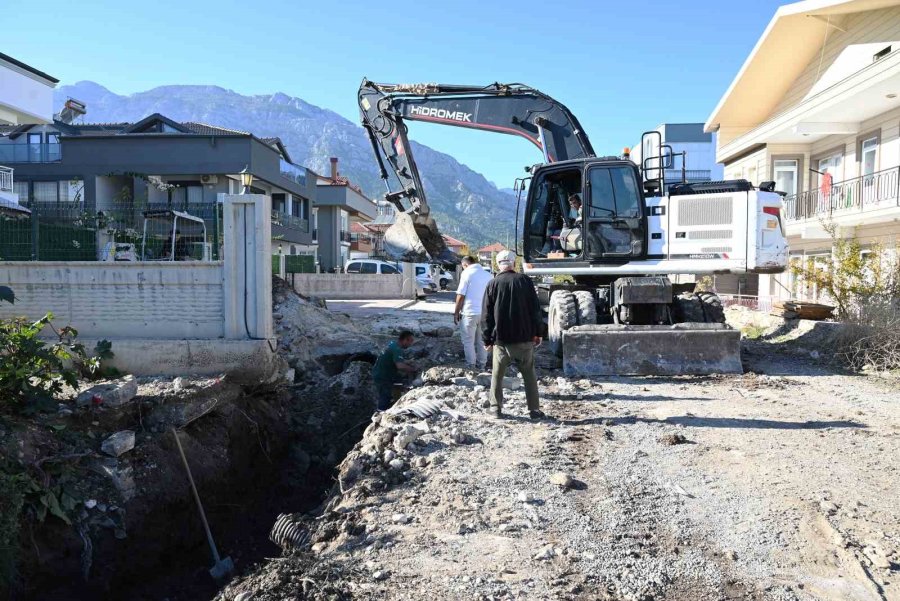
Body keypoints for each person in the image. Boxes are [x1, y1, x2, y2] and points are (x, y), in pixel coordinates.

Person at [481, 250, 546, 420]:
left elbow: (486, 315)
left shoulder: (493, 284)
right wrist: (539, 333)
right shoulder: (525, 281)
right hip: (525, 339)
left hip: (501, 340)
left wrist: (486, 339)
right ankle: (534, 410)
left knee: (497, 374)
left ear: (497, 264)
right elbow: (535, 310)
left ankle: (495, 409)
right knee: (529, 375)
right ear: (513, 263)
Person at [453, 255, 493, 369]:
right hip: (485, 314)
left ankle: (471, 365)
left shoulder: (467, 274)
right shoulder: (489, 275)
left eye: (463, 267)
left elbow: (460, 295)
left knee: (468, 341)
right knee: (482, 341)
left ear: (465, 265)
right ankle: (482, 365)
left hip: (469, 313)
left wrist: (456, 312)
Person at [372, 330, 417, 411]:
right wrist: (413, 369)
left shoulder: (393, 344)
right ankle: (380, 415)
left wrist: (407, 362)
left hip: (383, 372)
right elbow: (400, 366)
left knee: (399, 382)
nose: (411, 344)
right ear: (405, 340)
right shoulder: (397, 349)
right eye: (410, 341)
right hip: (383, 376)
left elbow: (394, 360)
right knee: (385, 396)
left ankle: (397, 399)